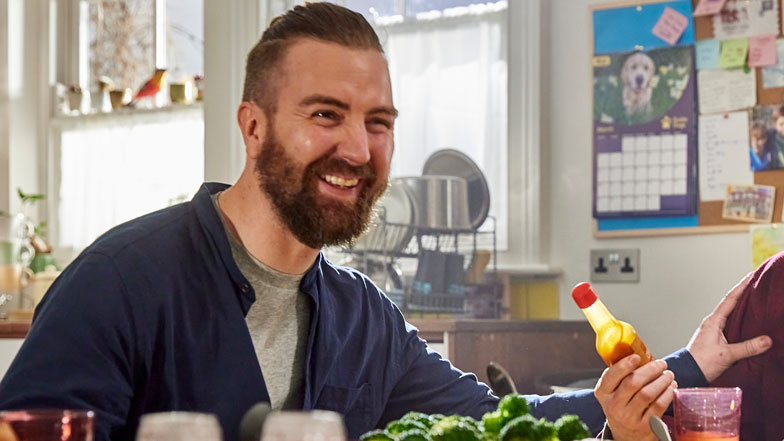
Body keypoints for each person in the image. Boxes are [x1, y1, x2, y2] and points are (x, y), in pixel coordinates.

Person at [0, 4, 771, 441]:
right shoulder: (119, 282)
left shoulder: (361, 317)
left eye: (378, 121)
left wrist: (686, 366)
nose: (357, 147)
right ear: (253, 126)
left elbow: (505, 421)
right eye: (325, 115)